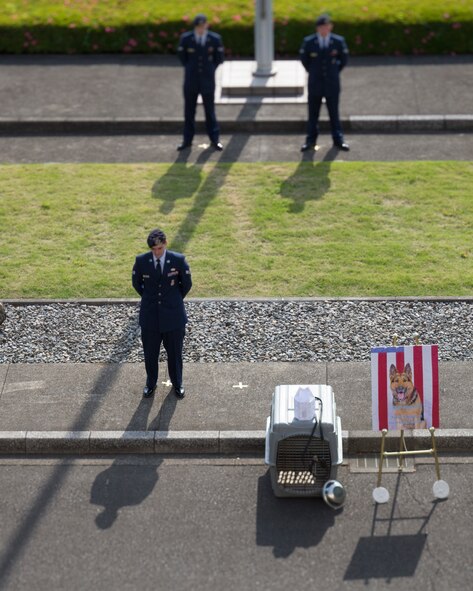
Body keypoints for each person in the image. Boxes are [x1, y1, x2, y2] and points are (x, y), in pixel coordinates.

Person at [132, 228, 192, 399]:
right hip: (150, 316)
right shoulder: (142, 261)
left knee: (175, 353)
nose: (157, 253)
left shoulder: (178, 260)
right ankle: (151, 383)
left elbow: (186, 284)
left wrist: (174, 298)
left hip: (173, 317)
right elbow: (137, 283)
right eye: (154, 250)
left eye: (160, 248)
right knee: (150, 354)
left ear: (165, 244)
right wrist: (149, 297)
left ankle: (178, 383)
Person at [299, 14, 350, 152]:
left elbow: (343, 60)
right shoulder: (309, 42)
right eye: (321, 27)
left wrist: (333, 71)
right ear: (317, 28)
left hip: (332, 83)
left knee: (334, 113)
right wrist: (314, 72)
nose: (324, 29)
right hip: (315, 83)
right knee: (313, 114)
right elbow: (305, 60)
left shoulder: (338, 41)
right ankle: (310, 141)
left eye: (326, 26)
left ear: (330, 27)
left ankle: (338, 140)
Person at [177, 13, 224, 151]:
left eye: (203, 26)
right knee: (189, 111)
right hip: (191, 80)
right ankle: (187, 140)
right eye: (198, 26)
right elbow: (182, 57)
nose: (201, 29)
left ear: (206, 25)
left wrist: (210, 70)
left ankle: (215, 139)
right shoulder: (187, 39)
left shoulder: (214, 39)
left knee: (210, 111)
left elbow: (219, 58)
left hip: (207, 81)